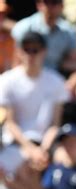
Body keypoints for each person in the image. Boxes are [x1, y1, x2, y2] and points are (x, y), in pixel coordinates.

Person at [0, 31, 69, 173]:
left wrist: (42, 150)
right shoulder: (7, 81)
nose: (31, 54)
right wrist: (30, 149)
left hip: (46, 145)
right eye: (26, 50)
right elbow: (10, 123)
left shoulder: (56, 81)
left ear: (44, 52)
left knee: (64, 166)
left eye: (35, 50)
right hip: (14, 145)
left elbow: (55, 124)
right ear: (19, 52)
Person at [11, 0, 76, 73]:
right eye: (46, 2)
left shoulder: (69, 31)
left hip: (55, 77)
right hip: (27, 76)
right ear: (39, 5)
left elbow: (74, 61)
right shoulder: (23, 27)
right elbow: (16, 61)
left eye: (54, 2)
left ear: (62, 6)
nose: (49, 7)